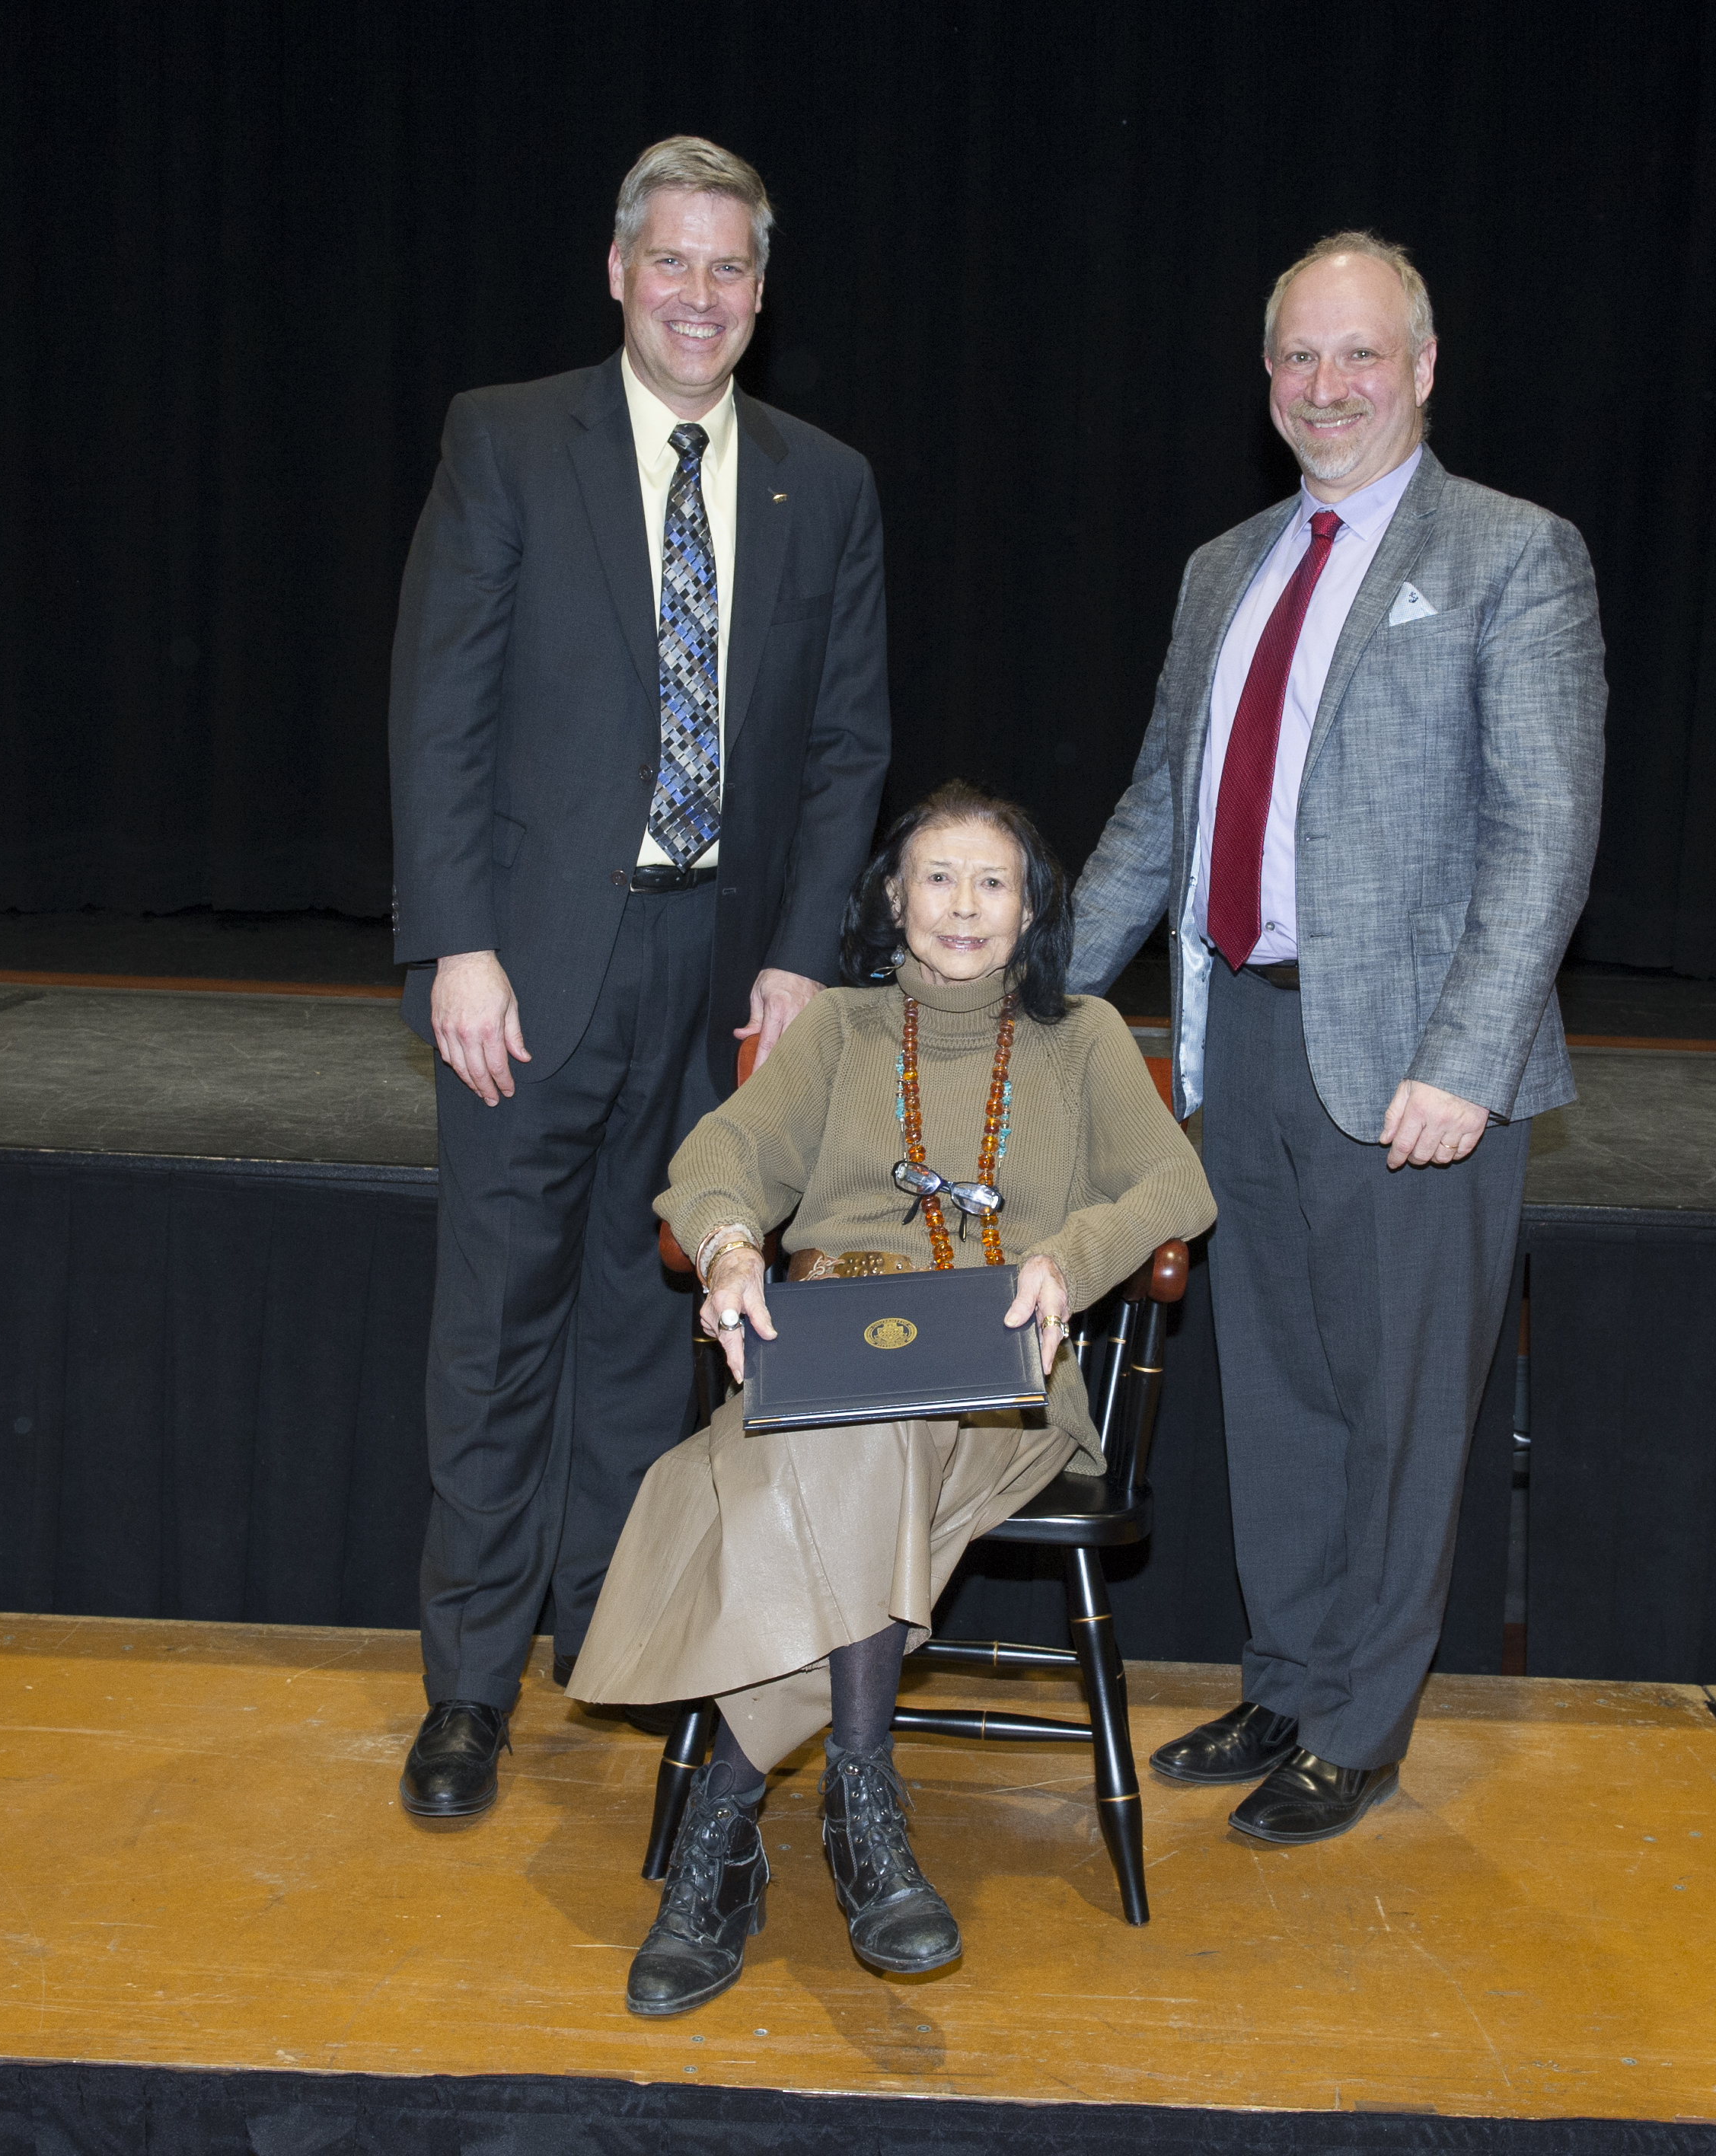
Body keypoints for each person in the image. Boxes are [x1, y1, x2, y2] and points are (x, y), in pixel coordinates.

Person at [1070, 231, 1606, 1844]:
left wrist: (1466, 1056)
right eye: (1298, 358)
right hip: (1241, 1052)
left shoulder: (1514, 554)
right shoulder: (1222, 568)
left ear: (1422, 369)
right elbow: (1160, 810)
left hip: (1415, 1079)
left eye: (1358, 355)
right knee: (1287, 1401)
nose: (1326, 386)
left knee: (1401, 1414)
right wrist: (1025, 989)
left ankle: (1363, 1726)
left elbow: (1546, 829)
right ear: (1268, 379)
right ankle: (1290, 1680)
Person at [387, 137, 890, 1820]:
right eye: (670, 262)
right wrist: (455, 939)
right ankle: (466, 1689)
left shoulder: (823, 483)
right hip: (524, 972)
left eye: (729, 269)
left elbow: (843, 749)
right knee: (495, 1335)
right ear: (618, 271)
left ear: (762, 290)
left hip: (714, 981)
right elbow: (438, 706)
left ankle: (601, 1637)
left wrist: (801, 962)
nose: (698, 294)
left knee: (642, 1329)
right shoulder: (508, 440)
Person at [567, 783, 1214, 2015]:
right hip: (825, 1367)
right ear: (891, 900)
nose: (963, 906)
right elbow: (716, 1162)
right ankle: (861, 1806)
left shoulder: (1081, 1040)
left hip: (1001, 1392)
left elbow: (1176, 1185)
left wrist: (1069, 1260)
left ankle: (732, 1822)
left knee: (866, 1438)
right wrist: (728, 1249)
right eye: (936, 877)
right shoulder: (840, 1032)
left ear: (1032, 911)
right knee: (859, 1428)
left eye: (993, 881)